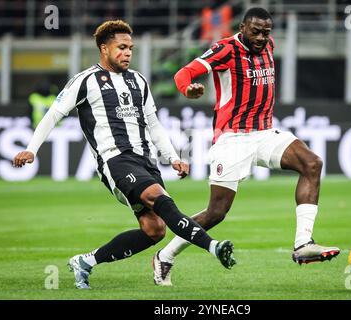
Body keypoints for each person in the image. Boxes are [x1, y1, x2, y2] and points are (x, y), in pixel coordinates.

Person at [12, 20, 236, 289]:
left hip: (145, 160)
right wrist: (31, 149)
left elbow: (153, 123)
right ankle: (213, 247)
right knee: (157, 197)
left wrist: (172, 157)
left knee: (155, 231)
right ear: (104, 48)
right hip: (114, 160)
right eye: (121, 47)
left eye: (130, 48)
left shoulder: (138, 80)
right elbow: (54, 114)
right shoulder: (85, 80)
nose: (127, 53)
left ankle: (86, 262)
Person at [152, 7, 340, 286]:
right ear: (242, 27)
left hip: (264, 132)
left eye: (266, 32)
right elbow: (183, 73)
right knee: (216, 212)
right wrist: (188, 89)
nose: (262, 38)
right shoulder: (225, 49)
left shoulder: (268, 44)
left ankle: (302, 244)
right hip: (232, 138)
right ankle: (165, 256)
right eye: (256, 32)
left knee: (312, 163)